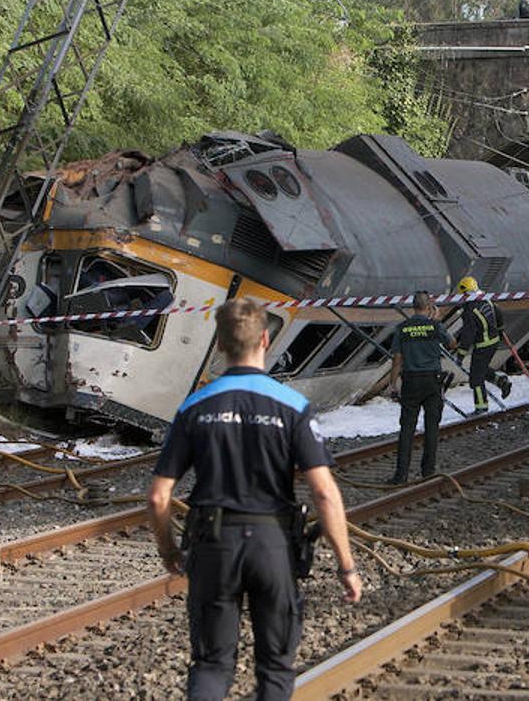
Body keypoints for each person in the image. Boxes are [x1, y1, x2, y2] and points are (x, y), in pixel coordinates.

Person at [146, 298, 361, 701]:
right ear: (265, 339)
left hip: (213, 547)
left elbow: (159, 496)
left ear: (221, 345)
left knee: (211, 666)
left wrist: (169, 550)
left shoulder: (195, 407)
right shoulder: (292, 407)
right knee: (276, 668)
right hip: (273, 546)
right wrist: (346, 566)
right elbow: (324, 494)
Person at [388, 291, 458, 483]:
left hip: (410, 382)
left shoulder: (402, 328)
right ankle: (428, 472)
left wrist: (393, 385)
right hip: (432, 381)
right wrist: (437, 321)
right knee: (431, 427)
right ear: (428, 307)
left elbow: (397, 359)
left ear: (413, 307)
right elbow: (453, 344)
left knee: (407, 428)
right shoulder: (434, 326)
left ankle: (401, 474)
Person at [454, 276, 512, 414]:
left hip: (483, 345)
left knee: (476, 376)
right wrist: (500, 330)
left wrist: (461, 355)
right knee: (480, 368)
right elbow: (499, 315)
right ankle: (501, 381)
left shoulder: (470, 310)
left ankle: (481, 408)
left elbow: (468, 334)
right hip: (493, 341)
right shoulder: (486, 300)